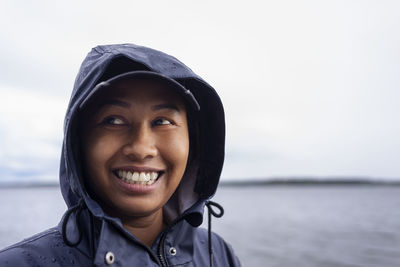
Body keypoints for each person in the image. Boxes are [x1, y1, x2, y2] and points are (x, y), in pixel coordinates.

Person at [0, 43, 241, 266]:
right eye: (113, 120)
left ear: (194, 143)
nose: (141, 148)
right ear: (78, 144)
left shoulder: (218, 254)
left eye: (162, 121)